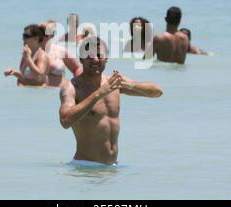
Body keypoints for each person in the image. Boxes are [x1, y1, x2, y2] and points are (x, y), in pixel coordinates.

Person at [59, 36, 163, 166]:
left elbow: (157, 92)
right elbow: (65, 120)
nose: (95, 59)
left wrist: (130, 84)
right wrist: (98, 94)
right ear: (81, 59)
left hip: (112, 168)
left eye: (99, 55)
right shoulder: (72, 87)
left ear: (106, 57)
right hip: (85, 167)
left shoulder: (114, 83)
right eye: (89, 56)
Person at [39, 20, 82, 87]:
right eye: (41, 32)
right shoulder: (31, 52)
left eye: (48, 34)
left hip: (59, 92)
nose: (44, 36)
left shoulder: (60, 50)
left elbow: (77, 69)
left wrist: (78, 85)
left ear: (52, 35)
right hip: (37, 94)